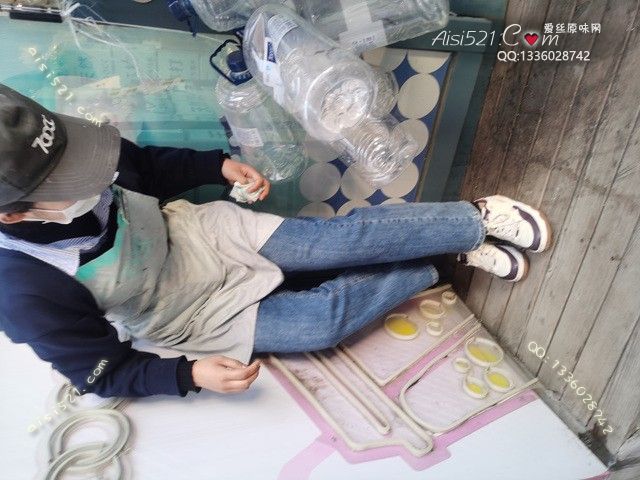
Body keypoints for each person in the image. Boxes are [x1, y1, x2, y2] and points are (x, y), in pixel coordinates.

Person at [0, 84, 551, 398]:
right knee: (320, 326)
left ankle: (473, 219)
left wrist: (216, 166)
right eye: (72, 181)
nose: (96, 176)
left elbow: (145, 165)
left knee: (333, 244)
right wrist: (186, 373)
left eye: (78, 160)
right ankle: (437, 257)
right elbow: (104, 372)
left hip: (195, 236)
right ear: (12, 213)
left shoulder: (71, 150)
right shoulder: (22, 290)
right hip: (178, 312)